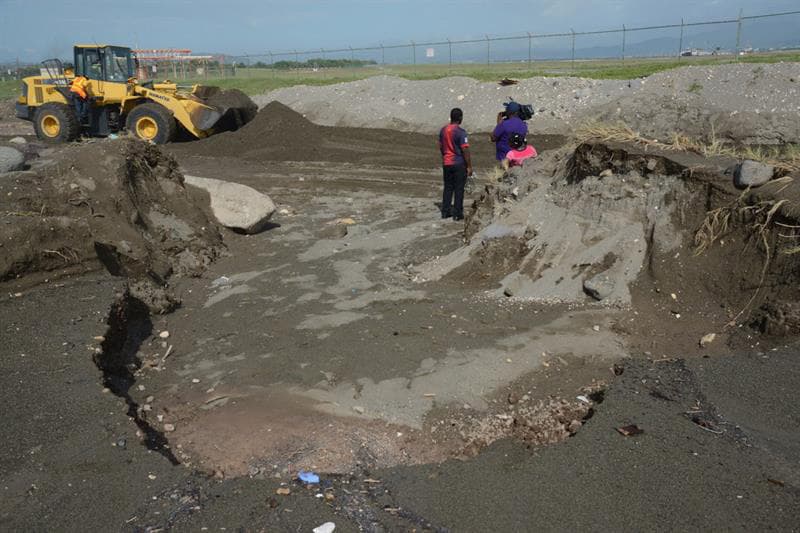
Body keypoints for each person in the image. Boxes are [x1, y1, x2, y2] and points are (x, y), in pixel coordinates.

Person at [437, 107, 472, 221]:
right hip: (458, 163)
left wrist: (445, 156)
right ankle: (458, 213)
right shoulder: (461, 132)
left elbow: (441, 146)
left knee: (448, 187)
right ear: (460, 118)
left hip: (447, 162)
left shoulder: (443, 130)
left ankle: (445, 211)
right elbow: (465, 150)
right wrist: (469, 166)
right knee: (459, 188)